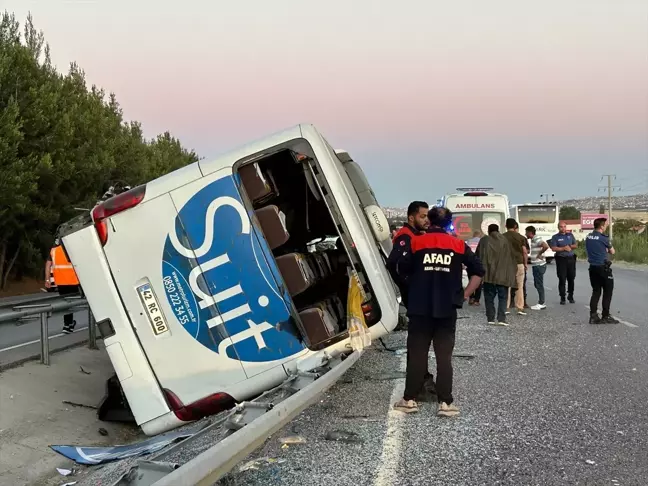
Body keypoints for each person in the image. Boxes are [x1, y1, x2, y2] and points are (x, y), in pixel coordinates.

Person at [393, 207, 484, 417]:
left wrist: (413, 286)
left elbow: (401, 268)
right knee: (444, 357)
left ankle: (409, 400)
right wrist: (465, 294)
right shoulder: (458, 245)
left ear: (430, 221)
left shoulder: (416, 243)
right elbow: (478, 271)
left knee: (417, 355)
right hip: (447, 309)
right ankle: (446, 403)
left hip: (420, 308)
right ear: (449, 223)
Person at [386, 201, 436, 400]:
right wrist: (410, 286)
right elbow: (394, 264)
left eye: (427, 217)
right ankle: (419, 385)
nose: (426, 220)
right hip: (415, 298)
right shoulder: (405, 237)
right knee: (418, 343)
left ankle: (421, 379)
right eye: (423, 216)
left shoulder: (416, 235)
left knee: (422, 342)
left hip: (420, 298)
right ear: (411, 217)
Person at [476, 224, 517, 326]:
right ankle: (501, 319)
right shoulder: (505, 240)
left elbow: (477, 255)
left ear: (489, 231)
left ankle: (490, 318)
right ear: (498, 230)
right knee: (503, 298)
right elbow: (512, 257)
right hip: (503, 275)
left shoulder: (484, 241)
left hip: (488, 275)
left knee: (489, 297)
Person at [585, 218, 619, 324]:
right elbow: (612, 251)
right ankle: (605, 315)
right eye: (605, 225)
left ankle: (593, 315)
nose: (606, 226)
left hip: (592, 267)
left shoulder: (588, 237)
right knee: (607, 292)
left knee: (596, 292)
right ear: (601, 226)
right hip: (603, 268)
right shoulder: (603, 238)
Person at [45, 238, 80, 334]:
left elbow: (48, 265)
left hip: (60, 282)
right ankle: (68, 325)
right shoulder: (72, 249)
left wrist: (47, 280)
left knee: (66, 303)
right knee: (71, 303)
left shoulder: (54, 250)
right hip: (73, 281)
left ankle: (67, 324)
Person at [503, 219, 528, 315]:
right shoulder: (521, 237)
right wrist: (525, 264)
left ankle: (506, 307)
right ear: (515, 226)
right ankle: (520, 307)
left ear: (506, 226)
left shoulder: (502, 237)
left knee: (507, 286)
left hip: (507, 264)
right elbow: (525, 252)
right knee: (520, 286)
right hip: (519, 263)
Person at [549, 221, 578, 305]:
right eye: (561, 227)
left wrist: (569, 247)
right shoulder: (555, 237)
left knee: (571, 278)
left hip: (571, 259)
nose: (563, 228)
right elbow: (553, 248)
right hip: (561, 259)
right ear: (558, 227)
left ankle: (571, 295)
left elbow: (575, 245)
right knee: (562, 278)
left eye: (564, 226)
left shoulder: (570, 235)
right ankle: (562, 297)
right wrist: (563, 248)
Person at [525, 226, 550, 310]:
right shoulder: (533, 239)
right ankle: (541, 302)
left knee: (539, 284)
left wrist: (539, 254)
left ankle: (541, 303)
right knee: (537, 284)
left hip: (539, 265)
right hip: (537, 264)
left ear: (530, 232)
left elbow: (545, 246)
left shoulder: (536, 238)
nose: (525, 234)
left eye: (526, 232)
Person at [465, 231, 483, 305]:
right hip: (479, 263)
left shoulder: (468, 241)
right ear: (479, 235)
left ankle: (471, 298)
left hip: (470, 264)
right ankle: (476, 300)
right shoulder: (482, 242)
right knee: (479, 282)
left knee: (470, 281)